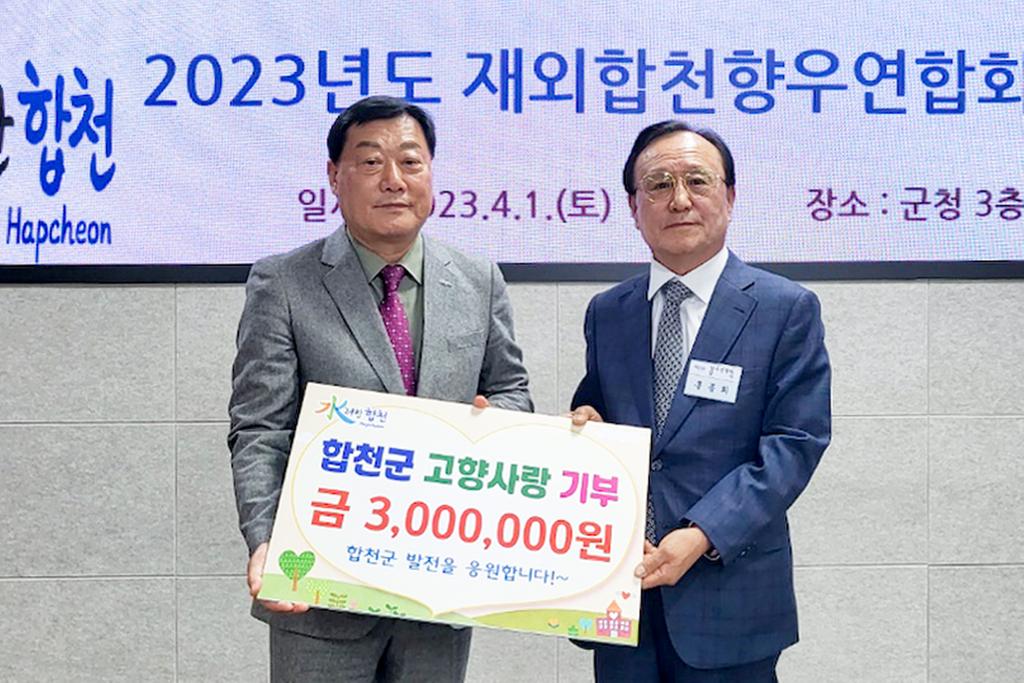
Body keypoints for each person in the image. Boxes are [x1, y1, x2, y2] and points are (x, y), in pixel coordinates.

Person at [228, 95, 532, 682]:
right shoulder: (283, 282)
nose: (394, 180)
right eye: (370, 162)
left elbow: (512, 390)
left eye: (411, 162)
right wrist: (265, 539)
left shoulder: (479, 280)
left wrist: (492, 419)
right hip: (320, 590)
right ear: (333, 176)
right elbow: (261, 429)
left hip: (438, 591)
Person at [570, 121, 831, 682]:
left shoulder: (784, 308)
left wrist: (702, 532)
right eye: (658, 184)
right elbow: (596, 413)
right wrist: (583, 427)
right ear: (633, 207)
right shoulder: (608, 312)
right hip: (621, 596)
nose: (679, 199)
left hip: (729, 593)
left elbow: (795, 443)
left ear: (730, 197)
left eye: (697, 180)